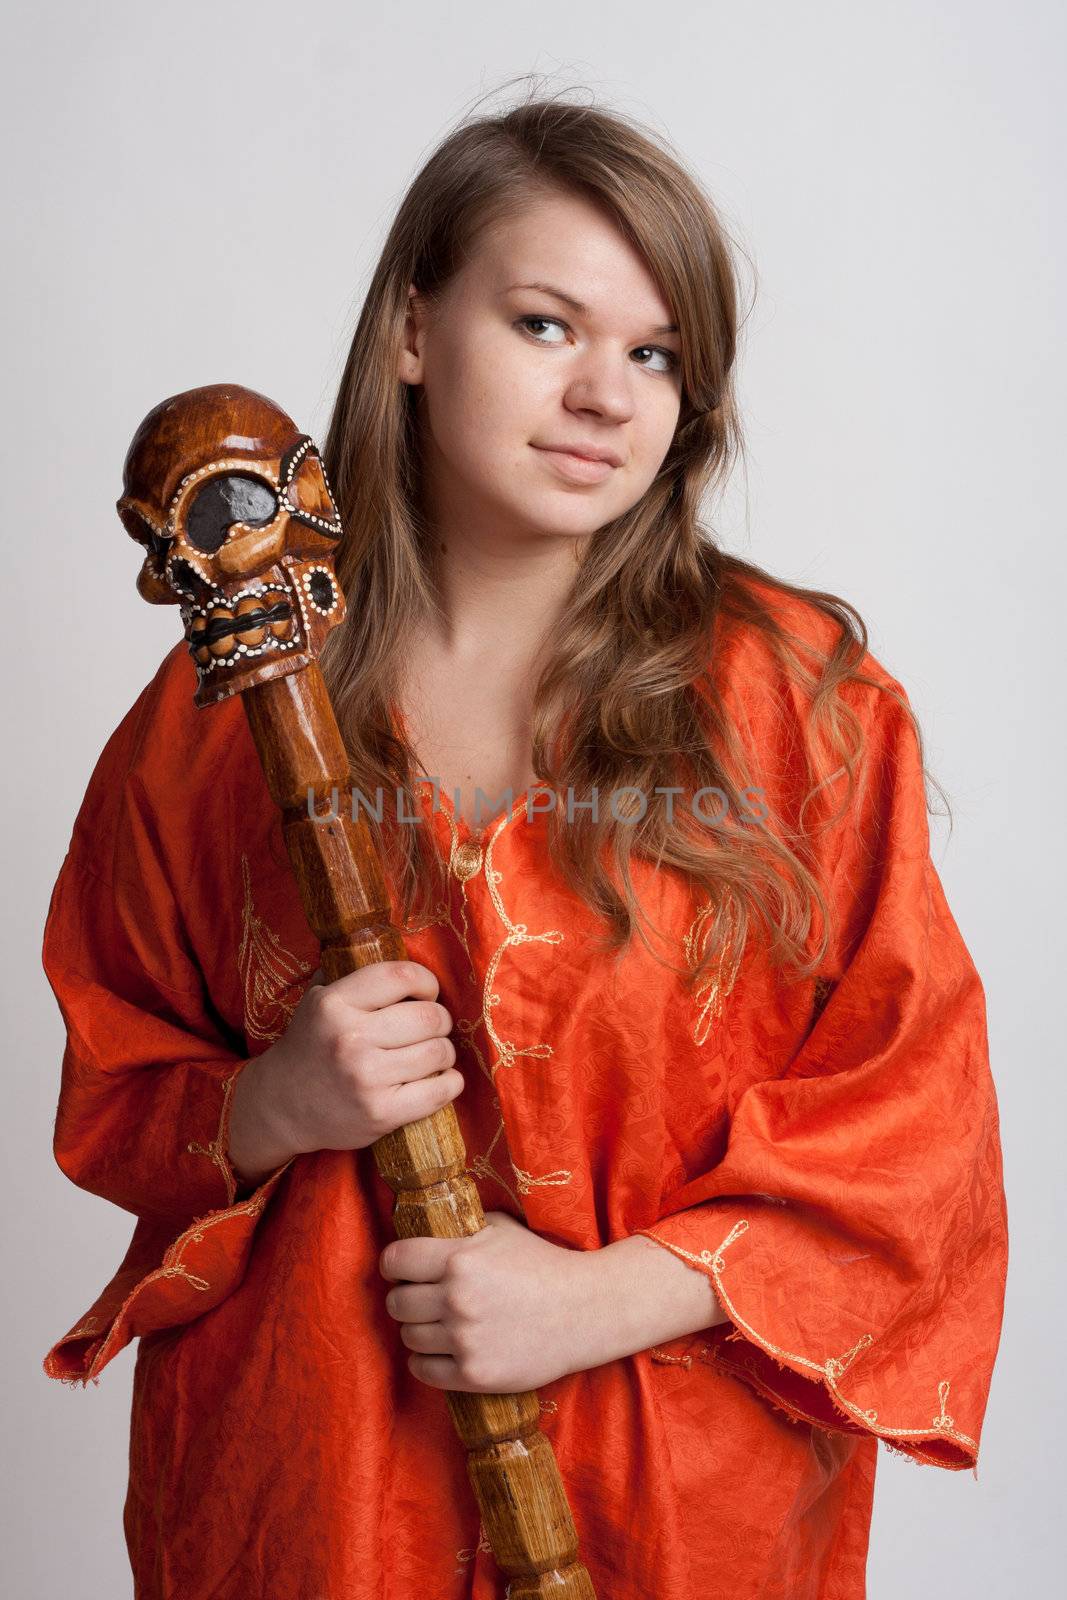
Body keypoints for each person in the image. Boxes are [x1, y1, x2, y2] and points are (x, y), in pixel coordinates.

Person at [41, 90, 1008, 1599]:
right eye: (548, 325)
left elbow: (917, 1130)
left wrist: (604, 1299)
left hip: (675, 1504)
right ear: (415, 330)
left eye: (657, 353)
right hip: (312, 1491)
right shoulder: (220, 713)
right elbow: (115, 1084)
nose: (608, 397)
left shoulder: (799, 708)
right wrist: (277, 1102)